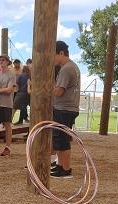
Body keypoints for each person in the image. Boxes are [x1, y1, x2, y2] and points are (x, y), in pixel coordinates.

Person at [50, 41, 80, 178]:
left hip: (64, 109)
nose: (53, 59)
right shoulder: (71, 66)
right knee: (61, 138)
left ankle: (66, 169)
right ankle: (61, 165)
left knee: (61, 139)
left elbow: (59, 91)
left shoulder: (67, 68)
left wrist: (45, 90)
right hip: (67, 108)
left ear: (61, 53)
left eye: (54, 55)